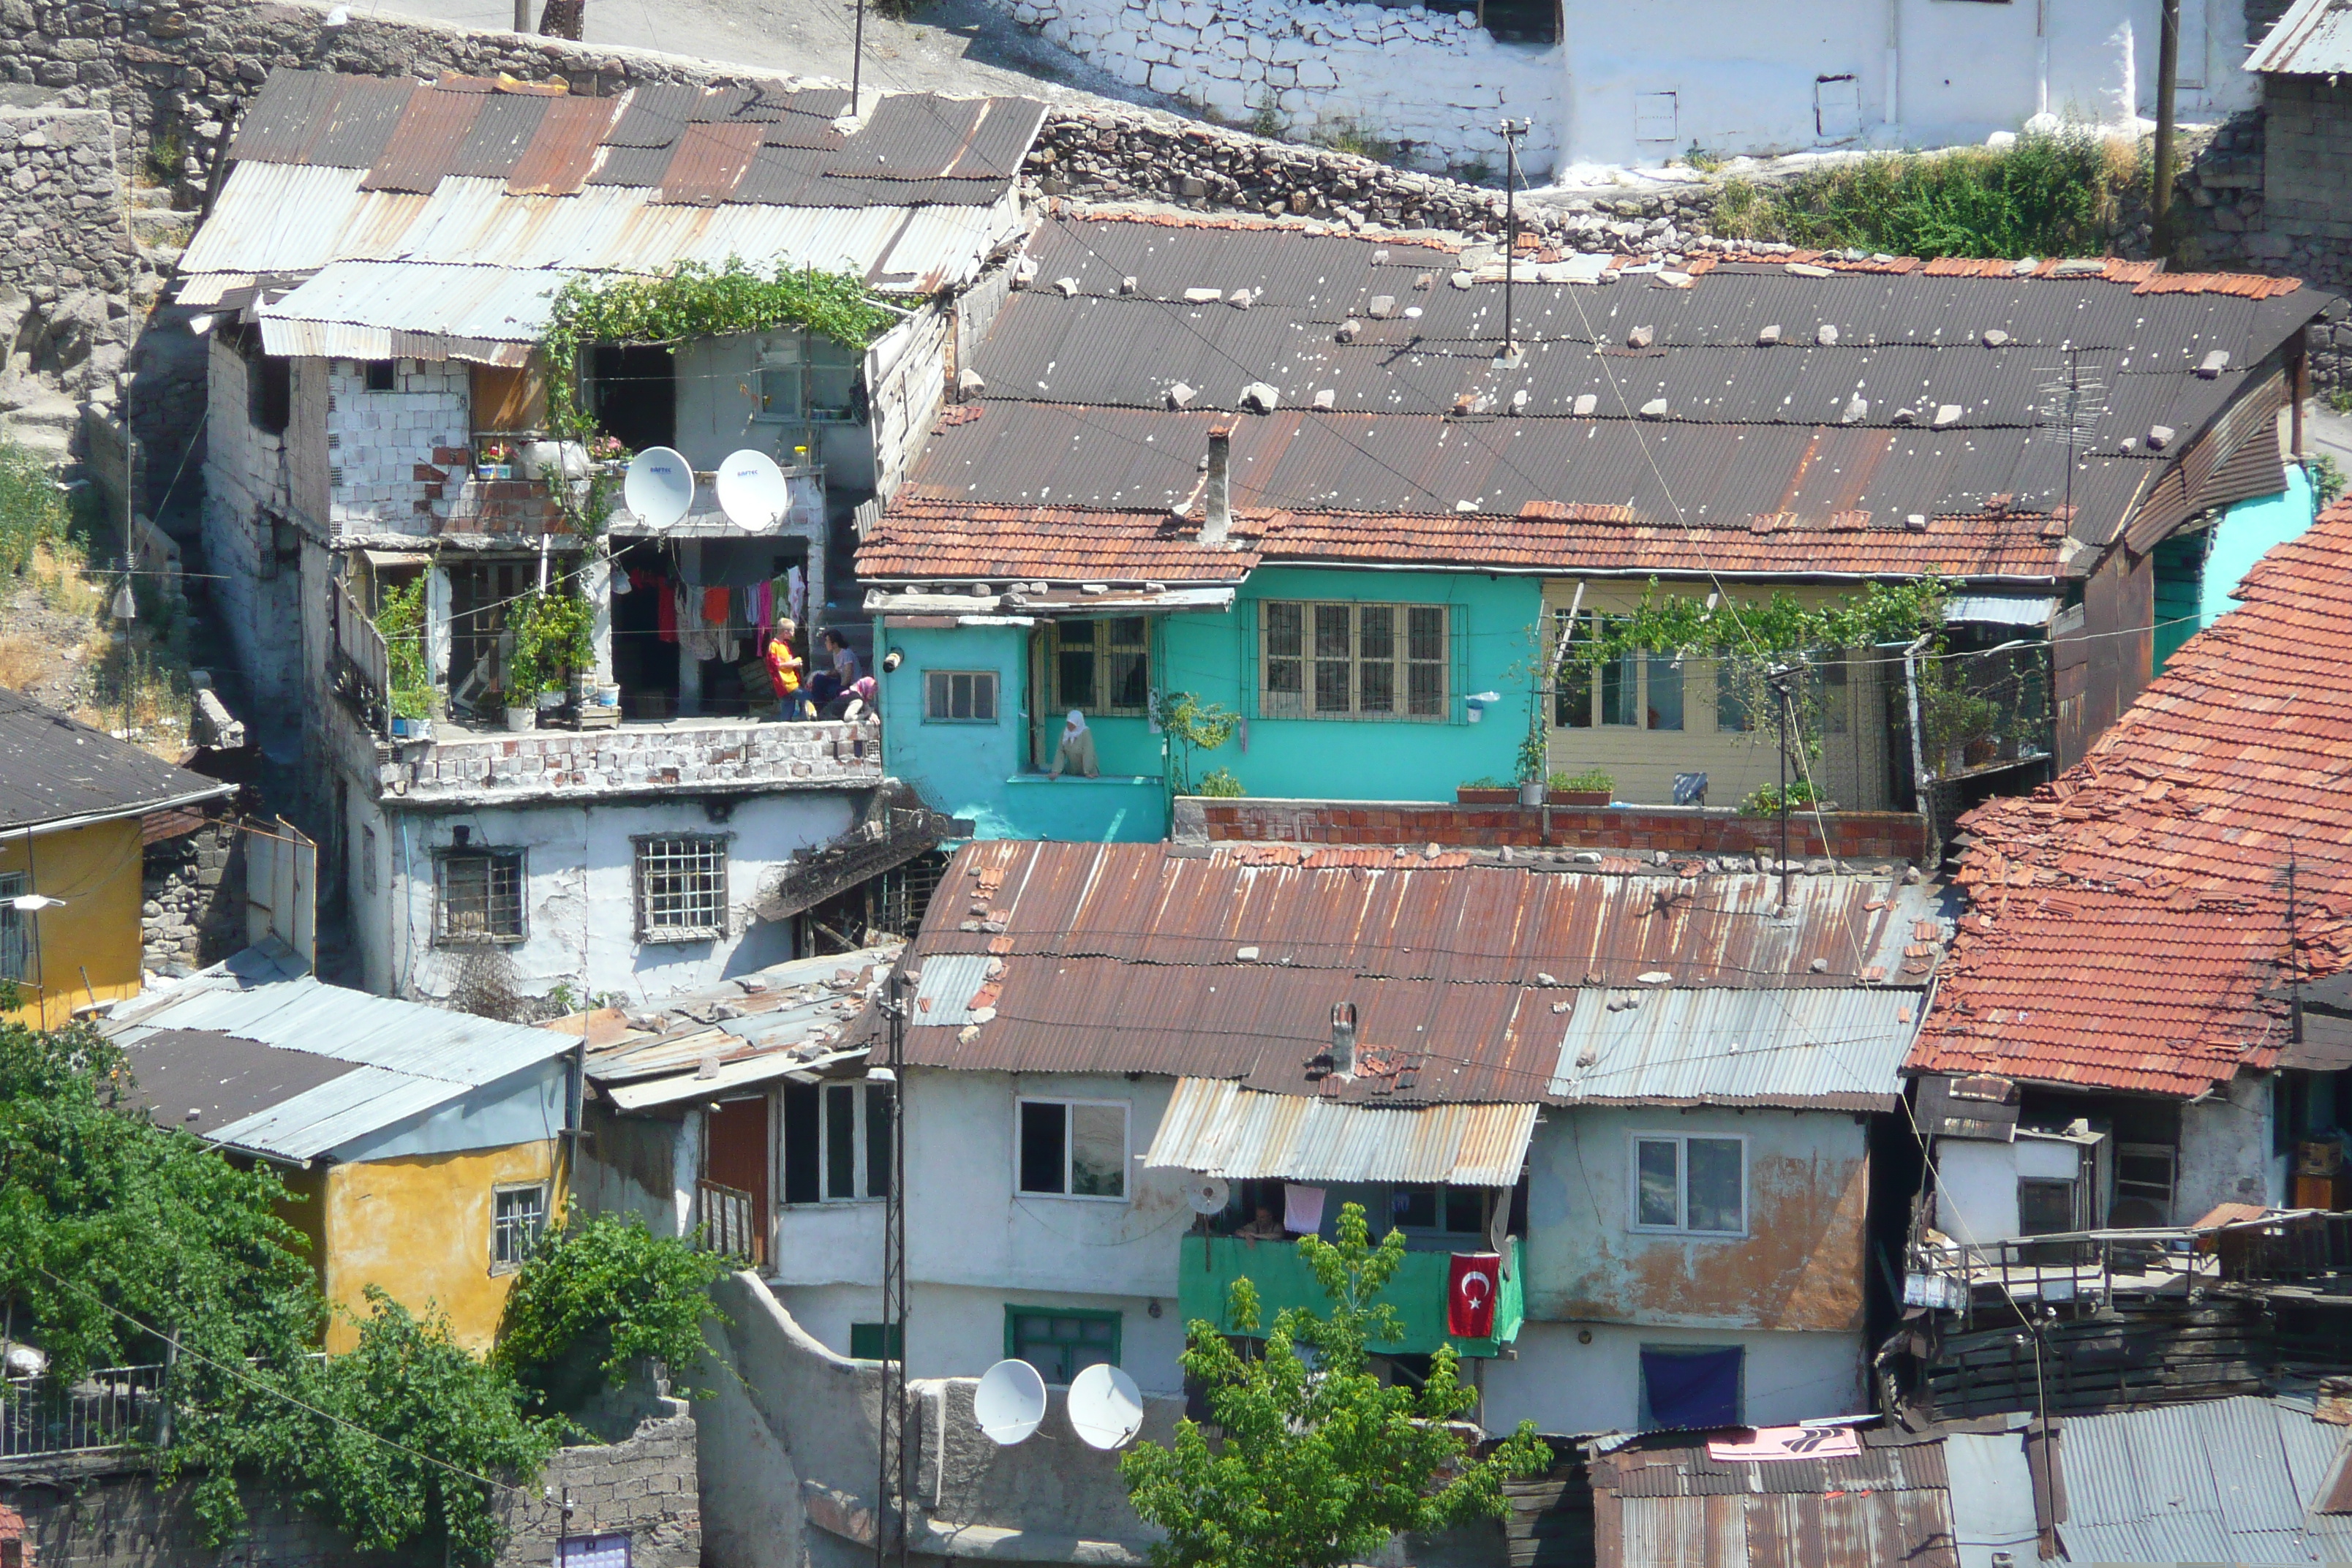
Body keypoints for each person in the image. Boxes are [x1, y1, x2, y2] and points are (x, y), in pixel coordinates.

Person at [807, 628, 861, 709]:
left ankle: (824, 709)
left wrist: (840, 687)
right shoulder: (835, 653)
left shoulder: (846, 653)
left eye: (827, 641)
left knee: (833, 691)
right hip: (840, 679)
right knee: (819, 679)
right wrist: (825, 674)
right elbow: (838, 670)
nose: (825, 643)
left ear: (835, 644)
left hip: (850, 684)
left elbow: (848, 675)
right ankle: (817, 707)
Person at [765, 618, 808, 719]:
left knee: (788, 708)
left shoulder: (784, 645)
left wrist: (795, 663)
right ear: (785, 632)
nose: (793, 633)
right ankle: (807, 721)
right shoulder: (774, 646)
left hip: (791, 681)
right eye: (792, 630)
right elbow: (776, 664)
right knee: (807, 697)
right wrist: (793, 663)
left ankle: (785, 729)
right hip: (784, 683)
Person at [1047, 709, 1098, 779]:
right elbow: (1060, 751)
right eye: (1068, 723)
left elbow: (1088, 752)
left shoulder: (1085, 733)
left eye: (1072, 724)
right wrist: (1056, 771)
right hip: (1072, 772)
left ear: (1078, 723)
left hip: (1089, 774)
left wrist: (1088, 772)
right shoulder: (1065, 733)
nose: (1069, 726)